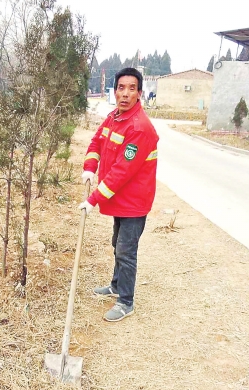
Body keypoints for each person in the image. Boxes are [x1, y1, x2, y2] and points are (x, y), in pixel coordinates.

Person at [79, 68, 159, 322]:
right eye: (121, 88)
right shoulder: (115, 117)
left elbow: (120, 173)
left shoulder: (139, 128)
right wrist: (90, 168)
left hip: (134, 202)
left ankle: (126, 301)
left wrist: (92, 200)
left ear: (140, 93)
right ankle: (116, 285)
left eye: (131, 88)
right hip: (119, 199)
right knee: (118, 244)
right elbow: (96, 143)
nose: (125, 94)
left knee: (126, 250)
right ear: (115, 92)